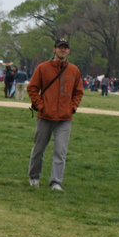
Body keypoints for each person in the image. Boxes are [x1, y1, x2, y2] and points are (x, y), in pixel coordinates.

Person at [26, 39, 82, 192]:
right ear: (54, 50)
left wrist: (73, 107)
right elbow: (32, 88)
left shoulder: (74, 70)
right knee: (38, 149)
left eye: (65, 48)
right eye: (60, 48)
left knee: (60, 152)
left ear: (68, 51)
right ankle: (34, 177)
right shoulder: (43, 68)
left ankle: (56, 182)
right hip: (45, 117)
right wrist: (41, 105)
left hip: (64, 118)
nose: (62, 51)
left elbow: (78, 92)